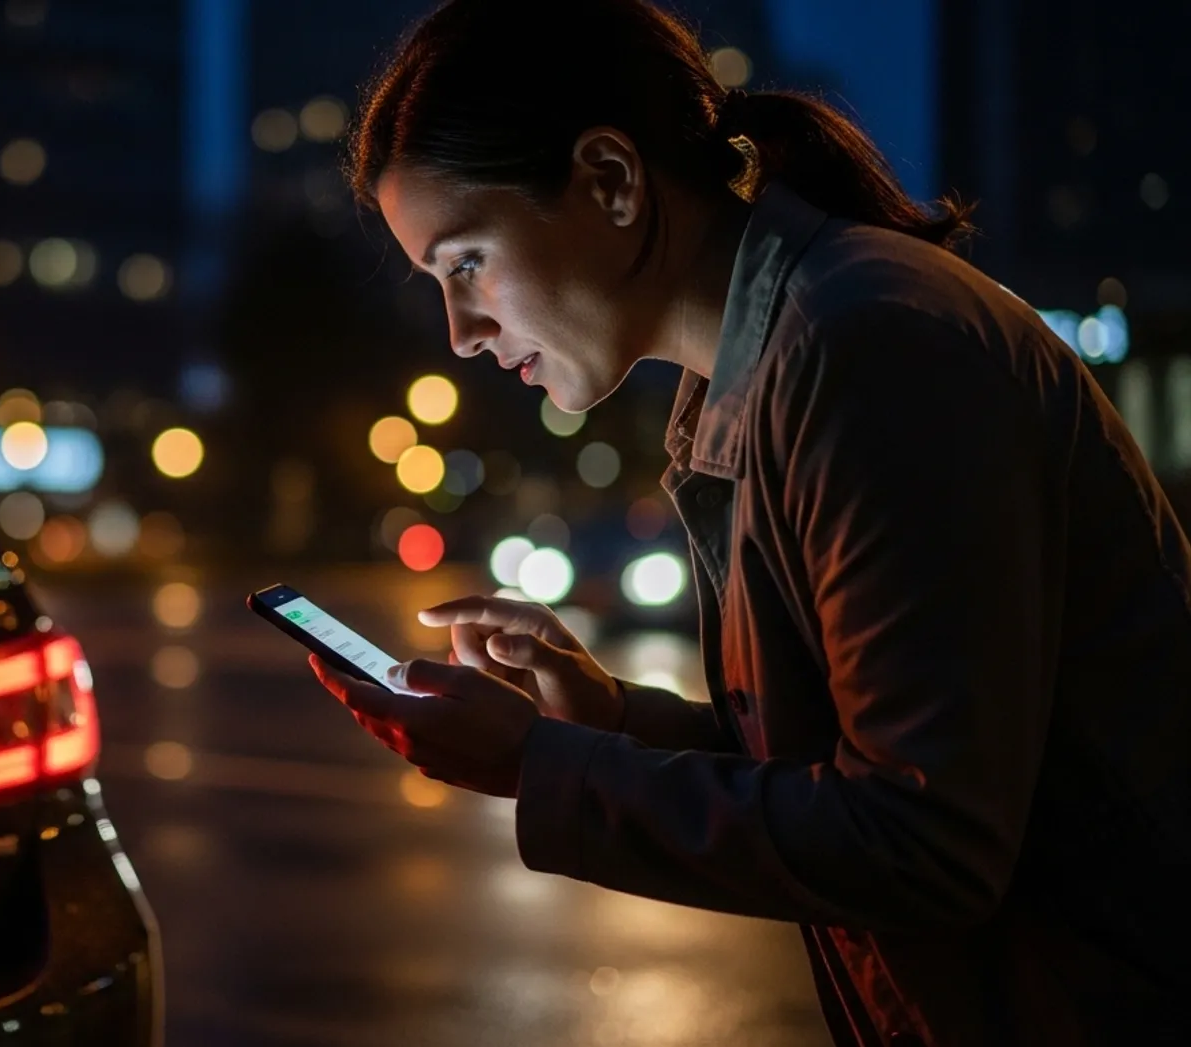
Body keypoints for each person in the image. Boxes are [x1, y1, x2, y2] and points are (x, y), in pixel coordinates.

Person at [314, 1, 1191, 1044]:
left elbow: (926, 839)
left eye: (465, 263)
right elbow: (851, 766)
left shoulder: (867, 350)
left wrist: (537, 766)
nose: (460, 333)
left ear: (611, 180)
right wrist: (603, 719)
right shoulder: (763, 372)